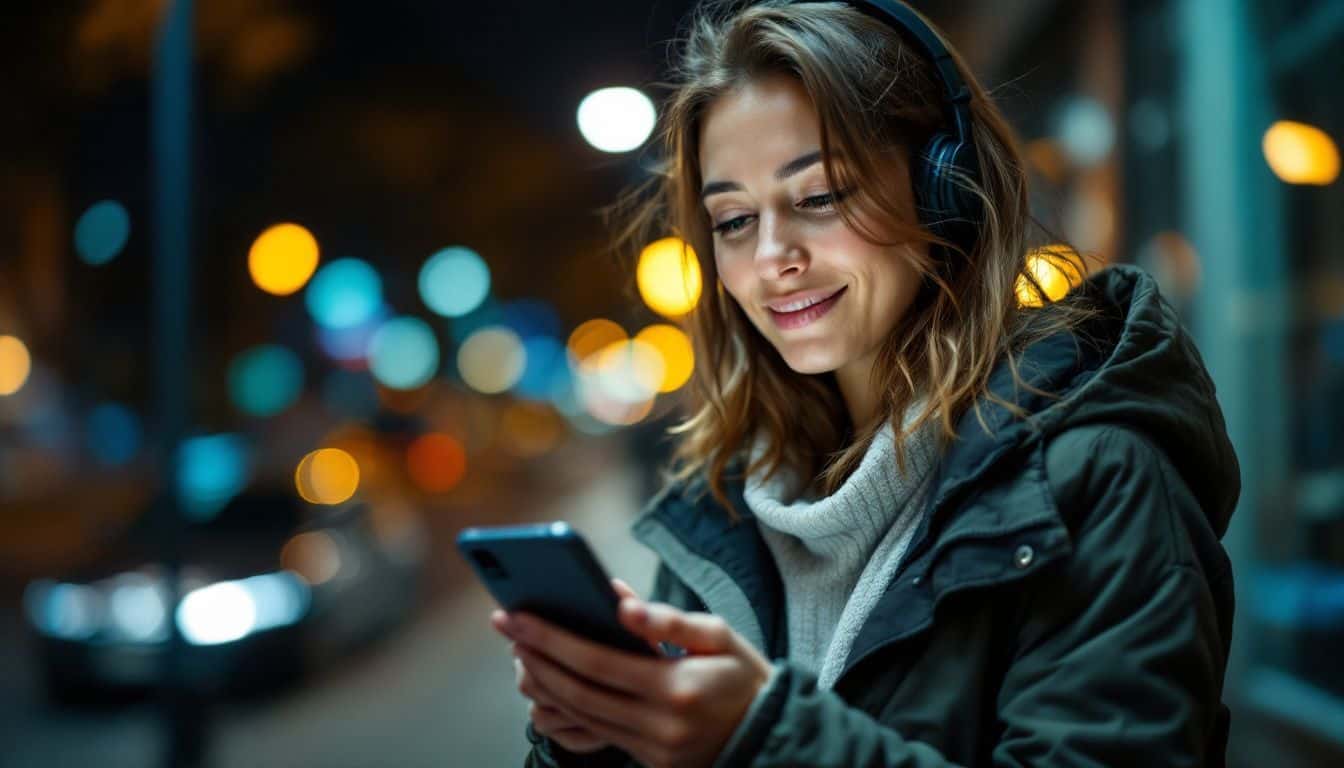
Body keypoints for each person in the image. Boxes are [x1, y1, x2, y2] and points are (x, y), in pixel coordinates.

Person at [491, 1, 1240, 766]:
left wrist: (762, 738)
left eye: (819, 198)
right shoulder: (724, 498)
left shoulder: (1097, 474)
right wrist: (595, 739)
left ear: (942, 189)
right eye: (733, 221)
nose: (772, 257)